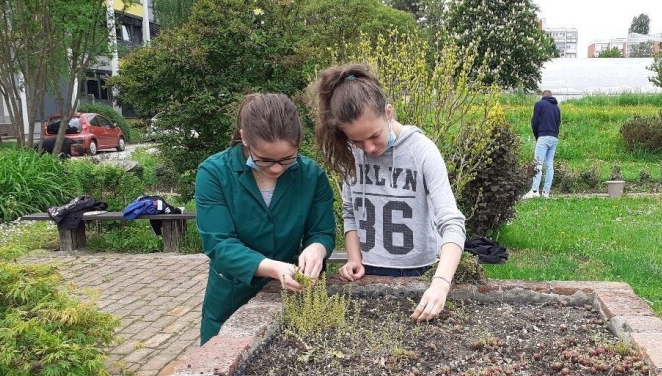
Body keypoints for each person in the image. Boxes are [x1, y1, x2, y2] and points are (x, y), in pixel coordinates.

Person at [313, 64, 466, 322]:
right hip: (369, 273)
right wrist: (353, 258)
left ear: (388, 113)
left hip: (421, 274)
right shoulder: (351, 155)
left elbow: (452, 223)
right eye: (357, 141)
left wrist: (440, 283)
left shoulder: (422, 152)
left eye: (374, 136)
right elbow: (351, 211)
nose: (369, 148)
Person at [195, 93, 336, 345]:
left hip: (290, 297)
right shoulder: (214, 173)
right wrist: (274, 268)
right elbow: (219, 244)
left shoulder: (312, 176)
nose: (276, 168)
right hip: (230, 297)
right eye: (265, 159)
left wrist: (317, 248)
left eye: (287, 159)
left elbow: (322, 231)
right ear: (244, 138)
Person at [523, 90, 561, 199]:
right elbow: (558, 123)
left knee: (538, 164)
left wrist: (537, 136)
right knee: (549, 164)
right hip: (554, 138)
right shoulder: (557, 108)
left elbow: (534, 122)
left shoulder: (539, 105)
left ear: (542, 96)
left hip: (543, 136)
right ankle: (546, 193)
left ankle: (535, 191)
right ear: (551, 96)